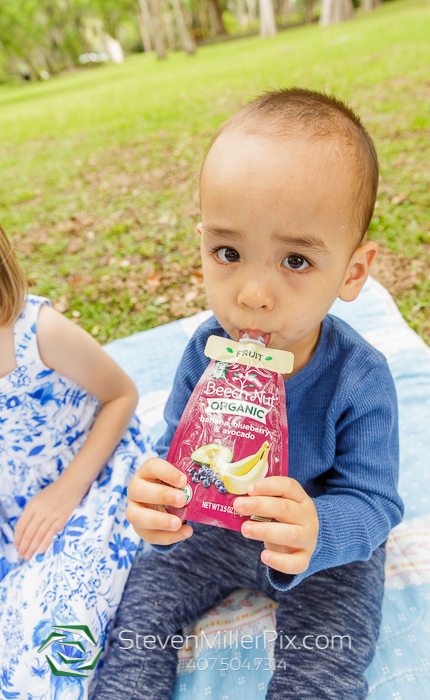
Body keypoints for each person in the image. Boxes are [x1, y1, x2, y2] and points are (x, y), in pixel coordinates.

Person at [91, 88, 404, 700]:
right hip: (211, 533)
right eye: (228, 253)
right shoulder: (204, 354)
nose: (253, 295)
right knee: (136, 625)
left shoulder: (359, 377)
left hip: (317, 552)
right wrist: (158, 498)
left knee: (325, 665)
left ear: (353, 272)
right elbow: (175, 453)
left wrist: (318, 529)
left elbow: (375, 502)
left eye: (295, 261)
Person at [0, 223, 156, 698]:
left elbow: (122, 395)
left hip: (90, 475)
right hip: (12, 502)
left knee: (57, 628)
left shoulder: (36, 332)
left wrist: (67, 490)